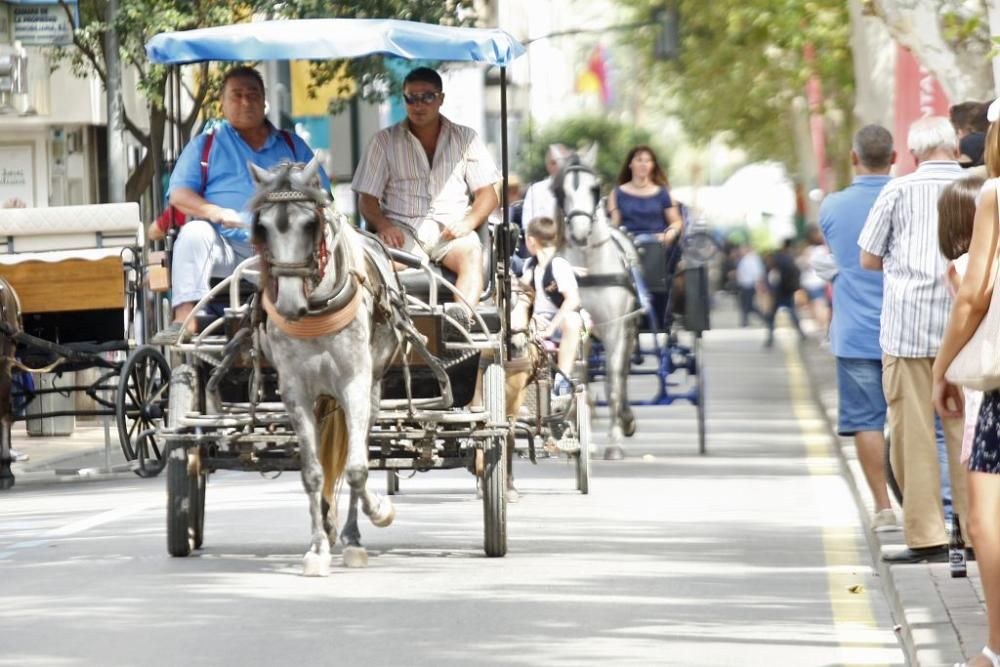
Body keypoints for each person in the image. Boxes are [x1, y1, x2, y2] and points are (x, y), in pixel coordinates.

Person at [151, 66, 328, 344]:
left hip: (284, 247)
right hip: (228, 250)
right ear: (222, 103)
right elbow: (179, 195)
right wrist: (217, 213)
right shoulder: (206, 145)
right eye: (237, 95)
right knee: (194, 233)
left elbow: (323, 197)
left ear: (264, 100)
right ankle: (185, 318)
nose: (245, 102)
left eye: (252, 94)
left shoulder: (293, 146)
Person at [859, 115, 968, 564]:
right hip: (968, 328)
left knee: (913, 435)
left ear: (913, 152)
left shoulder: (897, 190)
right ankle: (977, 531)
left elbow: (868, 258)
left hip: (907, 331)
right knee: (968, 432)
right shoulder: (980, 186)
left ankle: (927, 537)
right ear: (953, 145)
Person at [932, 112, 1000, 667]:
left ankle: (995, 650)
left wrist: (942, 369)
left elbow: (973, 296)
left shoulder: (994, 195)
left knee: (985, 519)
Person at [352, 66, 500, 310]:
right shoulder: (383, 141)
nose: (418, 105)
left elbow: (488, 195)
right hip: (402, 232)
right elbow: (367, 199)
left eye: (427, 97)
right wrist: (383, 225)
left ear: (441, 99)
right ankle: (381, 323)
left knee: (473, 255)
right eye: (411, 98)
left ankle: (462, 321)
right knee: (367, 261)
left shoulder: (466, 138)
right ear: (404, 99)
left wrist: (468, 222)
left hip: (451, 232)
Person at [820, 124, 897, 531]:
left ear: (853, 158)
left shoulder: (832, 205)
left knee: (868, 420)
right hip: (911, 328)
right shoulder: (909, 197)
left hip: (855, 331)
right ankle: (927, 506)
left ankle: (884, 507)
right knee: (913, 420)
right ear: (895, 157)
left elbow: (836, 257)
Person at [608, 145, 684, 329]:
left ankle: (652, 304)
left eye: (647, 160)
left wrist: (669, 234)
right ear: (630, 164)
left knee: (652, 248)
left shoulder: (663, 193)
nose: (643, 164)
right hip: (628, 242)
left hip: (658, 244)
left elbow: (676, 222)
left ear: (652, 166)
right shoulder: (617, 193)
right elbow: (615, 224)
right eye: (639, 160)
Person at [518, 216, 583, 396]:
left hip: (559, 321)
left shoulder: (558, 265)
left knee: (573, 320)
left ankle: (562, 378)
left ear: (531, 240)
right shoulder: (529, 266)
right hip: (537, 320)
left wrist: (551, 327)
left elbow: (573, 300)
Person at [763, 239, 805, 347]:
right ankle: (801, 332)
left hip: (778, 293)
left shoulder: (777, 260)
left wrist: (771, 289)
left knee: (772, 316)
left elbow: (771, 277)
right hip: (787, 291)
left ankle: (770, 338)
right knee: (792, 313)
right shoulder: (789, 259)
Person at [521, 144, 568, 225]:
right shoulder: (536, 190)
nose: (559, 165)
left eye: (564, 161)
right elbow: (528, 225)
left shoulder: (579, 189)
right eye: (554, 162)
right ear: (547, 166)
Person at [799, 224, 831, 334]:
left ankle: (825, 330)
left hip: (812, 282)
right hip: (819, 281)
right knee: (818, 307)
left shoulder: (808, 250)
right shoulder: (823, 249)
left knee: (817, 307)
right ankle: (825, 331)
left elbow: (803, 264)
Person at [734, 243, 766, 327]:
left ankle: (764, 318)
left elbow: (756, 273)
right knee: (745, 304)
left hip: (749, 284)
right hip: (745, 284)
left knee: (749, 305)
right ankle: (745, 321)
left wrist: (758, 285)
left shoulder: (751, 259)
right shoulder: (747, 259)